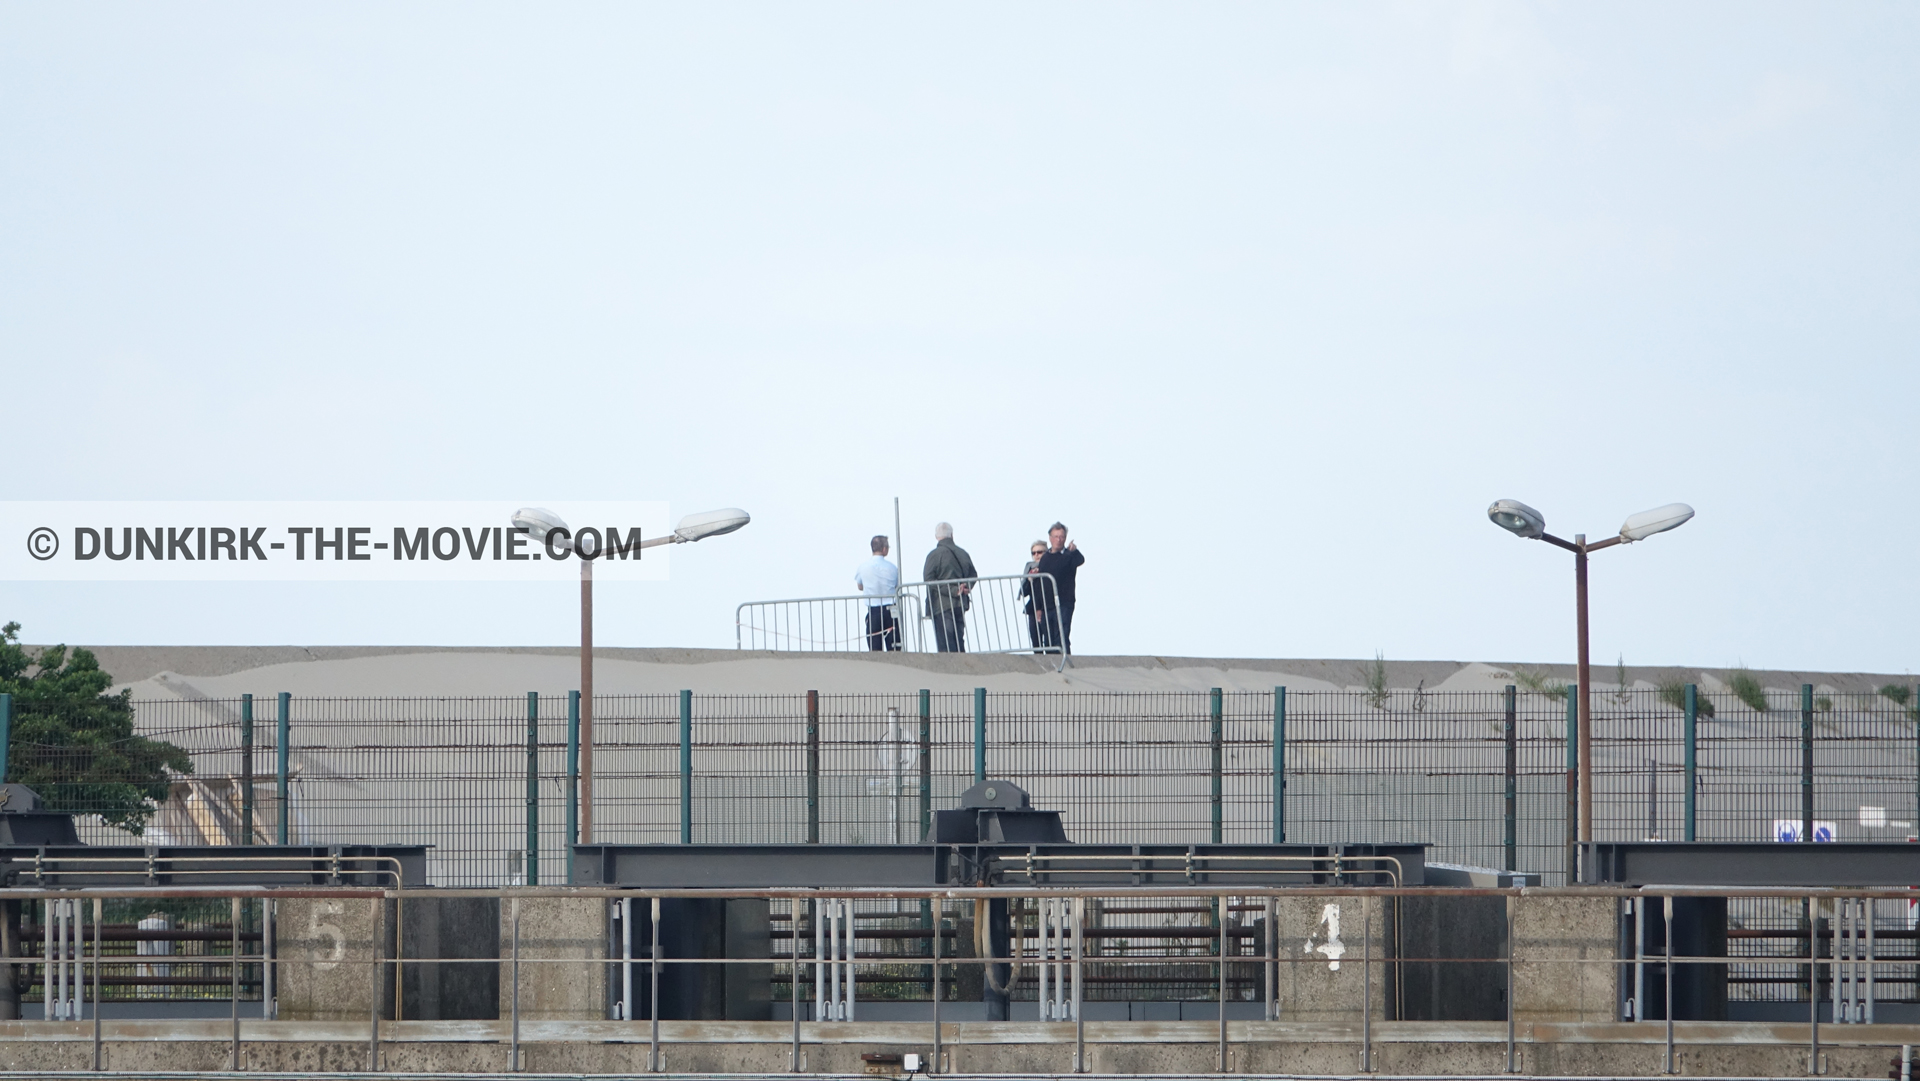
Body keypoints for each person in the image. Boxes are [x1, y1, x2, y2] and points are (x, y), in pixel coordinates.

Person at [922, 522, 977, 652]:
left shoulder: (934, 555)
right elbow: (973, 574)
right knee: (959, 639)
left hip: (941, 605)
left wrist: (954, 591)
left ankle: (948, 669)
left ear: (936, 536)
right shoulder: (963, 553)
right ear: (951, 535)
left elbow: (929, 579)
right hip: (960, 603)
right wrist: (965, 587)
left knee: (945, 641)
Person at [1035, 521, 1085, 654]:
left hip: (1064, 603)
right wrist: (1038, 607)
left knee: (1061, 637)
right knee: (1049, 639)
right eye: (1056, 536)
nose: (1059, 539)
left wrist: (1072, 551)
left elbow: (1080, 560)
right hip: (1047, 604)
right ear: (1050, 538)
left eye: (1061, 536)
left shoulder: (1068, 555)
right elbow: (1041, 583)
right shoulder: (1045, 558)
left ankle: (1065, 664)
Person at [854, 534, 900, 651]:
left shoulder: (863, 567)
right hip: (891, 610)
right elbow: (897, 585)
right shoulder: (892, 568)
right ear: (884, 549)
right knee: (894, 648)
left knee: (875, 649)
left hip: (873, 610)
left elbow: (860, 586)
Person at [1018, 540, 1049, 652]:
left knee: (1049, 640)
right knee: (1035, 640)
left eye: (1039, 552)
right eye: (1034, 553)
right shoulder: (1029, 568)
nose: (1036, 555)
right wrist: (1030, 579)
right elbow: (1024, 591)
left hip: (1048, 606)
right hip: (1033, 607)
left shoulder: (1050, 567)